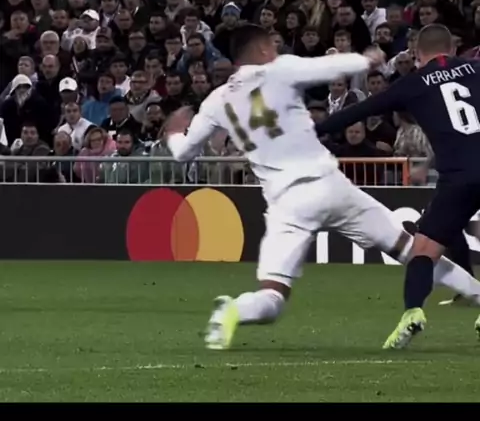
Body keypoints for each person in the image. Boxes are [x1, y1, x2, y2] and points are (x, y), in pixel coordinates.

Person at [164, 24, 480, 350]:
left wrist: (172, 133)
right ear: (261, 50)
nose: (275, 50)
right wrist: (366, 59)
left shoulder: (215, 101)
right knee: (412, 250)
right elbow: (328, 66)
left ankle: (232, 309)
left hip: (286, 204)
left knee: (272, 296)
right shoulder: (279, 69)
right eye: (271, 45)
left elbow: (184, 152)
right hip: (329, 185)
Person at [319, 23, 480, 348]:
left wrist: (311, 130)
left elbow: (358, 111)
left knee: (424, 251)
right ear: (452, 48)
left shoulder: (414, 83)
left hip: (458, 177)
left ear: (418, 54)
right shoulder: (475, 69)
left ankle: (413, 312)